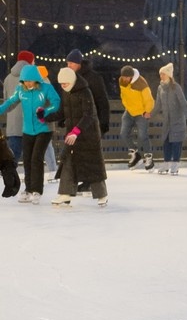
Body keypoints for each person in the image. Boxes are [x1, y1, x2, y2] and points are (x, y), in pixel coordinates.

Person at [47, 67, 108, 206]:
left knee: (92, 165)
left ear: (72, 81)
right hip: (72, 135)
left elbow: (90, 116)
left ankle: (102, 195)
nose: (63, 86)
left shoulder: (85, 92)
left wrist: (76, 131)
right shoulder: (66, 93)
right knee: (68, 162)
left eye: (65, 84)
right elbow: (61, 113)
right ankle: (65, 194)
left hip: (89, 135)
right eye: (61, 84)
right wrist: (45, 117)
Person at [0, 64, 60, 204]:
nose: (27, 83)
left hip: (44, 129)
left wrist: (45, 112)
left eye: (29, 80)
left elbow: (56, 103)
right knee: (27, 159)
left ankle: (37, 190)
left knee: (36, 158)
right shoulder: (21, 90)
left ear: (36, 79)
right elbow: (10, 102)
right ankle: (28, 189)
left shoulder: (46, 88)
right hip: (27, 130)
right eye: (24, 81)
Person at [153, 63, 187, 175]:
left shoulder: (176, 87)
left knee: (176, 142)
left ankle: (175, 164)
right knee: (166, 141)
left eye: (163, 74)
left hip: (177, 120)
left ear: (168, 75)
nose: (161, 76)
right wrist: (149, 115)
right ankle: (167, 163)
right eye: (160, 74)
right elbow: (158, 105)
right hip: (167, 121)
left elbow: (183, 102)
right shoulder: (160, 88)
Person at [118, 65, 155, 170]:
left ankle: (148, 157)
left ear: (131, 76)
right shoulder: (121, 81)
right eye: (123, 77)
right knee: (123, 133)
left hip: (141, 112)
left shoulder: (141, 83)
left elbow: (149, 99)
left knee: (142, 135)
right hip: (129, 111)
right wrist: (126, 106)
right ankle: (136, 155)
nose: (124, 79)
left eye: (126, 77)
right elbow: (123, 95)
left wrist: (147, 111)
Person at [66, 49, 110, 137]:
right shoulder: (69, 78)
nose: (68, 66)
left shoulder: (94, 78)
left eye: (71, 63)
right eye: (67, 63)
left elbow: (102, 101)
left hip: (91, 122)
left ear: (78, 63)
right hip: (74, 123)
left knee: (90, 148)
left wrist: (104, 123)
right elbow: (67, 100)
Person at [3, 50, 34, 164]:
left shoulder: (7, 78)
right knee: (31, 158)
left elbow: (6, 100)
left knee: (12, 157)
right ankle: (29, 180)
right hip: (28, 123)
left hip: (13, 125)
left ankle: (8, 178)